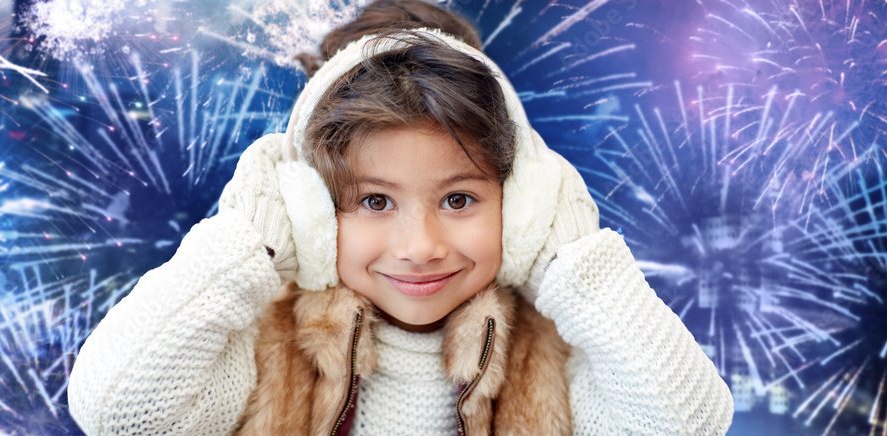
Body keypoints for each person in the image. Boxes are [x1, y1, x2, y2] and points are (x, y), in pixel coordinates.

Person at [68, 1, 734, 434]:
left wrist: (576, 264)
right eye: (375, 201)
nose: (419, 247)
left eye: (459, 199)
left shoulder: (560, 350)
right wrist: (244, 245)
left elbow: (688, 424)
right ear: (309, 214)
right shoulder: (259, 339)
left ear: (525, 202)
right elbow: (119, 412)